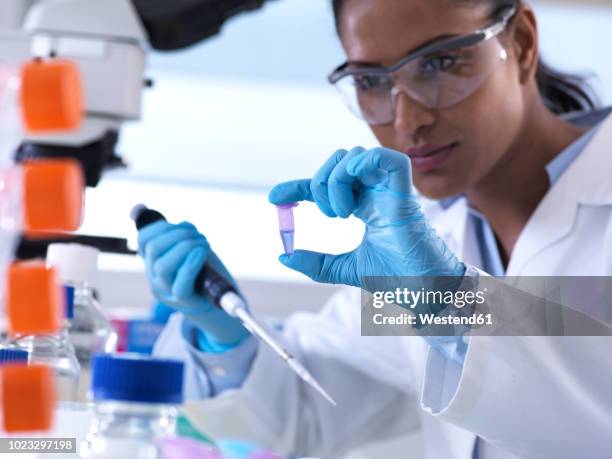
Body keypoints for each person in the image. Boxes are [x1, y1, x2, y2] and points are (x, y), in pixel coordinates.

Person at [142, 0, 612, 457]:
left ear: (523, 43)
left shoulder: (429, 271)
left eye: (440, 63)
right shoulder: (427, 242)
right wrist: (226, 334)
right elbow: (305, 409)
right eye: (370, 81)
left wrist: (446, 300)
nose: (408, 121)